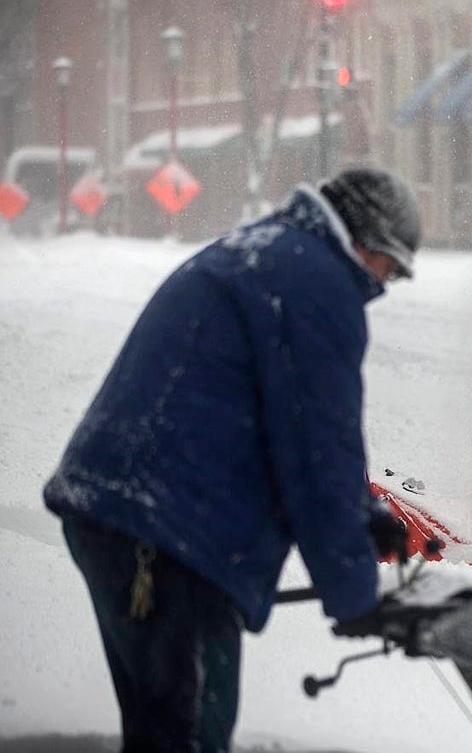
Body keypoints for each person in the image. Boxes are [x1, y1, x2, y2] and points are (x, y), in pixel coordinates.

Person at [43, 168, 418, 751]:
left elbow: (281, 426)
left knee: (168, 725)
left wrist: (363, 516)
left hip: (118, 513)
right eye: (389, 267)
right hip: (162, 535)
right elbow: (318, 449)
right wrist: (355, 596)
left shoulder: (267, 251)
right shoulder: (317, 283)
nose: (384, 284)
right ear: (365, 242)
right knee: (190, 734)